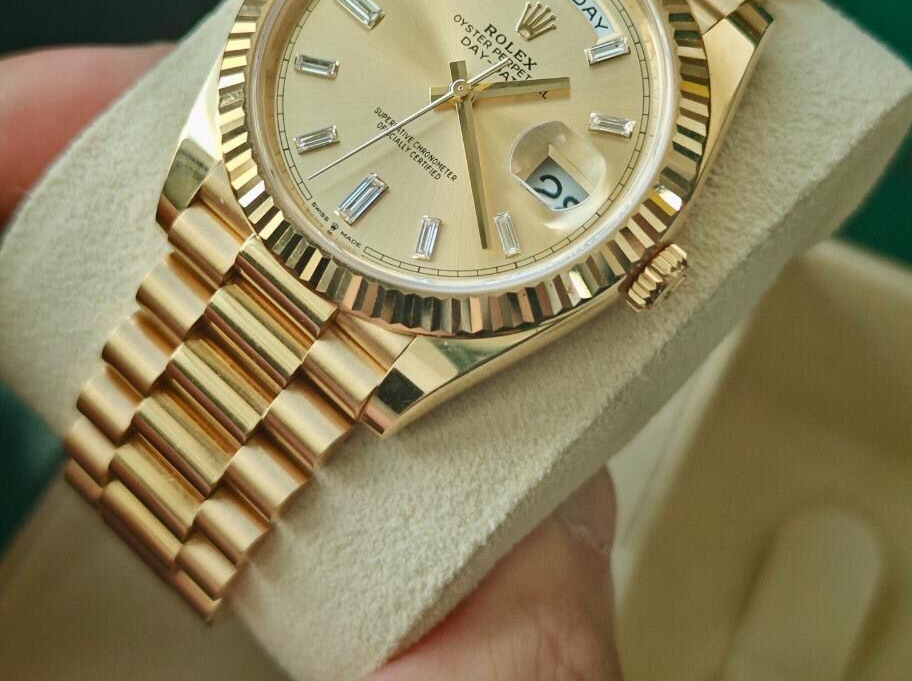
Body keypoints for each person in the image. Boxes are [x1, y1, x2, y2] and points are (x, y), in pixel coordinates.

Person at [0, 42, 623, 681]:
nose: (462, 95)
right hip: (261, 207)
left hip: (376, 327)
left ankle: (177, 528)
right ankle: (145, 500)